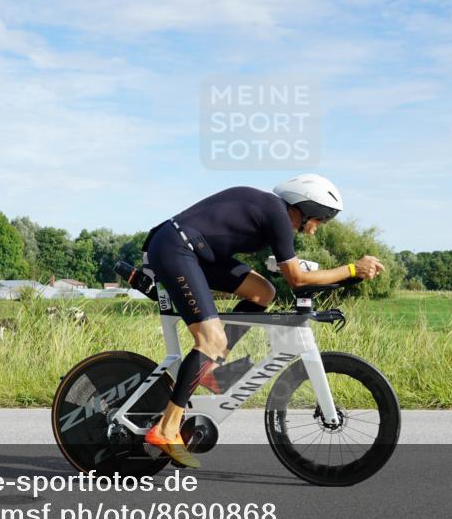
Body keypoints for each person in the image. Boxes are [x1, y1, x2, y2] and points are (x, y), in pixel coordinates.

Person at [140, 174, 385, 468]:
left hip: (197, 252)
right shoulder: (276, 214)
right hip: (175, 248)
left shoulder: (272, 213)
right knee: (210, 340)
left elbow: (286, 272)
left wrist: (343, 274)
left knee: (262, 292)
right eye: (318, 221)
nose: (314, 232)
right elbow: (296, 279)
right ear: (305, 207)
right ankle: (166, 428)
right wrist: (351, 269)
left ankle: (210, 367)